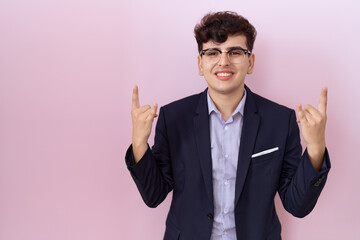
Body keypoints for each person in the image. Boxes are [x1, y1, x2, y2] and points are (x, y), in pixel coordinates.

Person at [125, 11, 330, 240]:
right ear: (200, 64)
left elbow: (297, 205)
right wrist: (139, 143)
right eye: (213, 52)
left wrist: (316, 148)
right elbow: (154, 195)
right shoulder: (173, 118)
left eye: (234, 52)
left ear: (250, 62)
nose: (224, 61)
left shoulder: (280, 121)